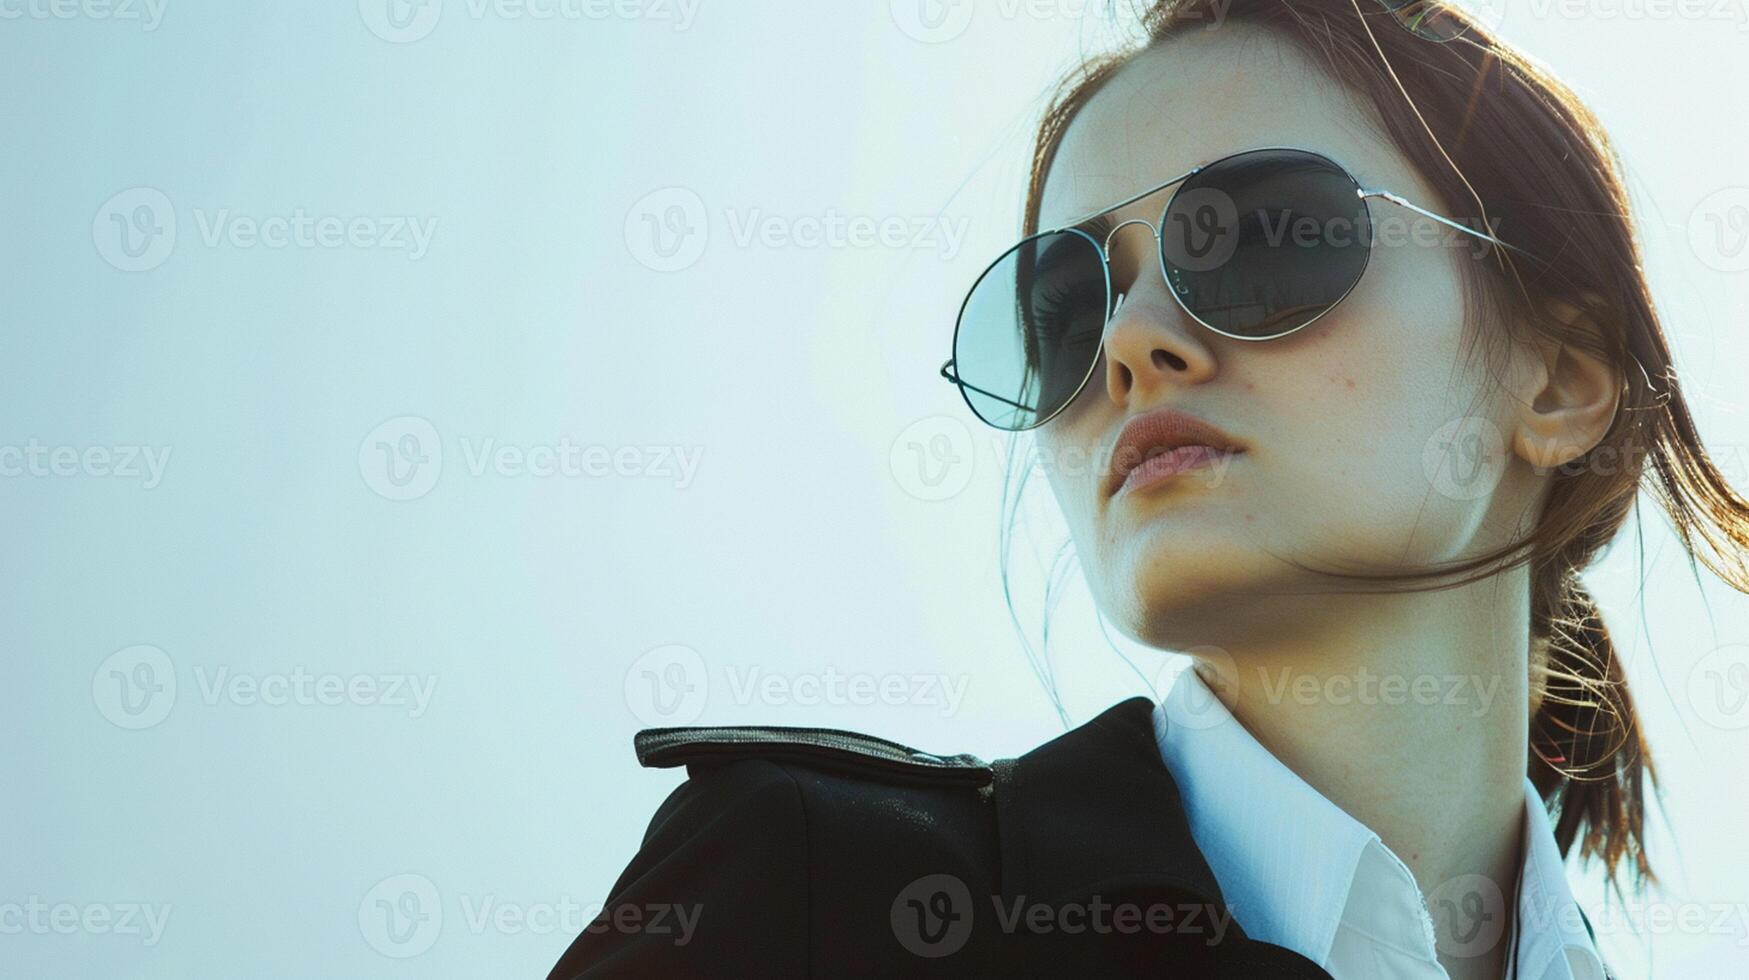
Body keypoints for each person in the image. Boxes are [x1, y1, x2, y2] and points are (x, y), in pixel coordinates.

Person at [549, 1, 1749, 975]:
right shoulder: (813, 897)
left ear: (1560, 384)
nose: (1130, 345)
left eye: (1264, 237)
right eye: (1063, 309)